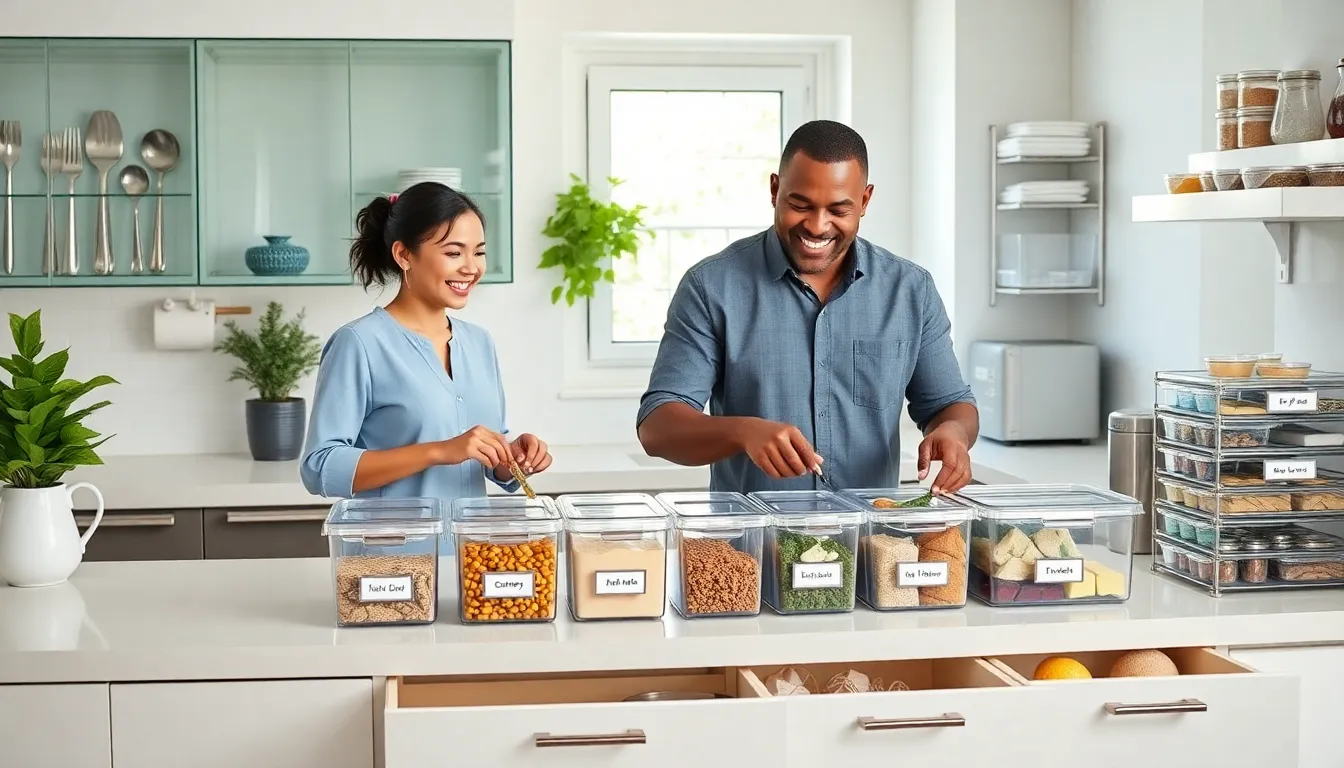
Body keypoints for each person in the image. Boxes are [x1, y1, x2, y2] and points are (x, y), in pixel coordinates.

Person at [636, 120, 978, 495]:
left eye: (838, 210)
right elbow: (657, 427)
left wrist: (953, 432)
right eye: (800, 205)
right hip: (753, 548)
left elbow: (950, 404)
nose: (817, 226)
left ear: (864, 201)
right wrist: (743, 431)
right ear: (774, 190)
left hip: (869, 545)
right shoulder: (712, 286)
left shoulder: (911, 290)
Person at [300, 182, 552, 506]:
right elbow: (320, 467)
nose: (471, 267)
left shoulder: (479, 344)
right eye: (453, 252)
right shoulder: (359, 344)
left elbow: (484, 455)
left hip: (466, 552)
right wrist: (439, 451)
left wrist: (511, 459)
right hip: (393, 554)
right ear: (404, 255)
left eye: (479, 252)